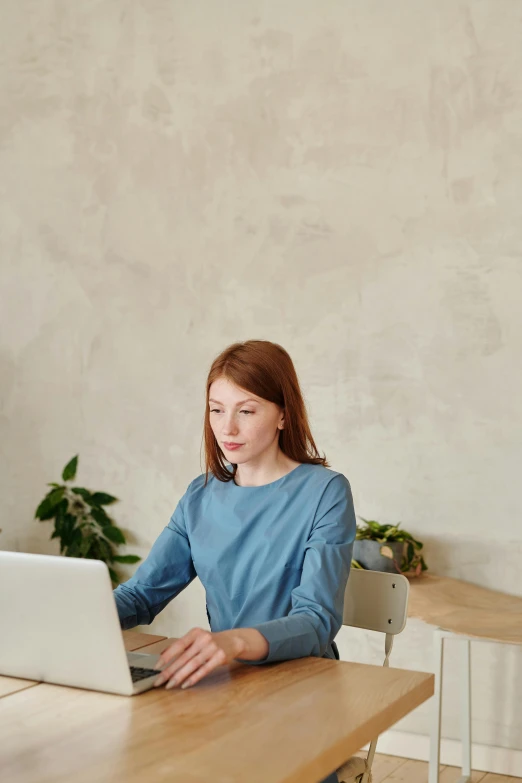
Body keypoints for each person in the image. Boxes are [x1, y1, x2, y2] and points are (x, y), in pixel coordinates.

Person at [113, 339, 356, 783]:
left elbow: (317, 619)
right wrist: (69, 614)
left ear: (284, 414)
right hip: (223, 681)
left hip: (300, 687)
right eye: (216, 409)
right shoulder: (200, 495)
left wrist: (231, 643)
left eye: (246, 410)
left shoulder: (326, 491)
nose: (228, 427)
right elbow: (143, 595)